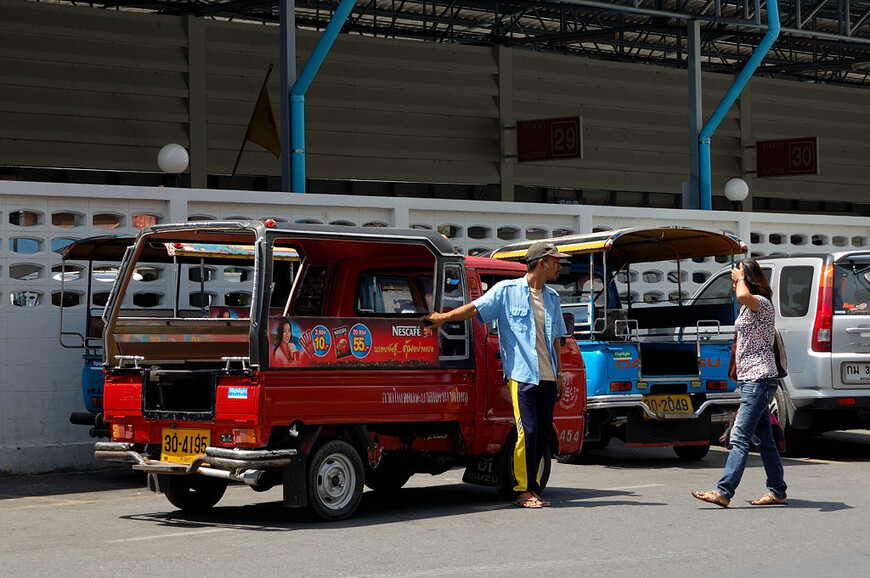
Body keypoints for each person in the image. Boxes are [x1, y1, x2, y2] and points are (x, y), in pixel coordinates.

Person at [425, 241, 569, 509]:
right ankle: (522, 490)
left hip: (548, 378)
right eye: (555, 261)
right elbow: (475, 309)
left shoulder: (552, 298)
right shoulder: (506, 291)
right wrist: (444, 318)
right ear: (541, 262)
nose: (559, 266)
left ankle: (534, 488)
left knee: (540, 435)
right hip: (522, 375)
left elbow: (558, 340)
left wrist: (560, 375)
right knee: (528, 431)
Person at [693, 259, 788, 508]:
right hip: (751, 379)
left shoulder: (762, 304)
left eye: (738, 276)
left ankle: (724, 492)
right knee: (764, 440)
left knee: (739, 437)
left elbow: (743, 294)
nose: (735, 282)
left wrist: (739, 277)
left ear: (749, 277)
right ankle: (778, 490)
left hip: (759, 378)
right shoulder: (749, 307)